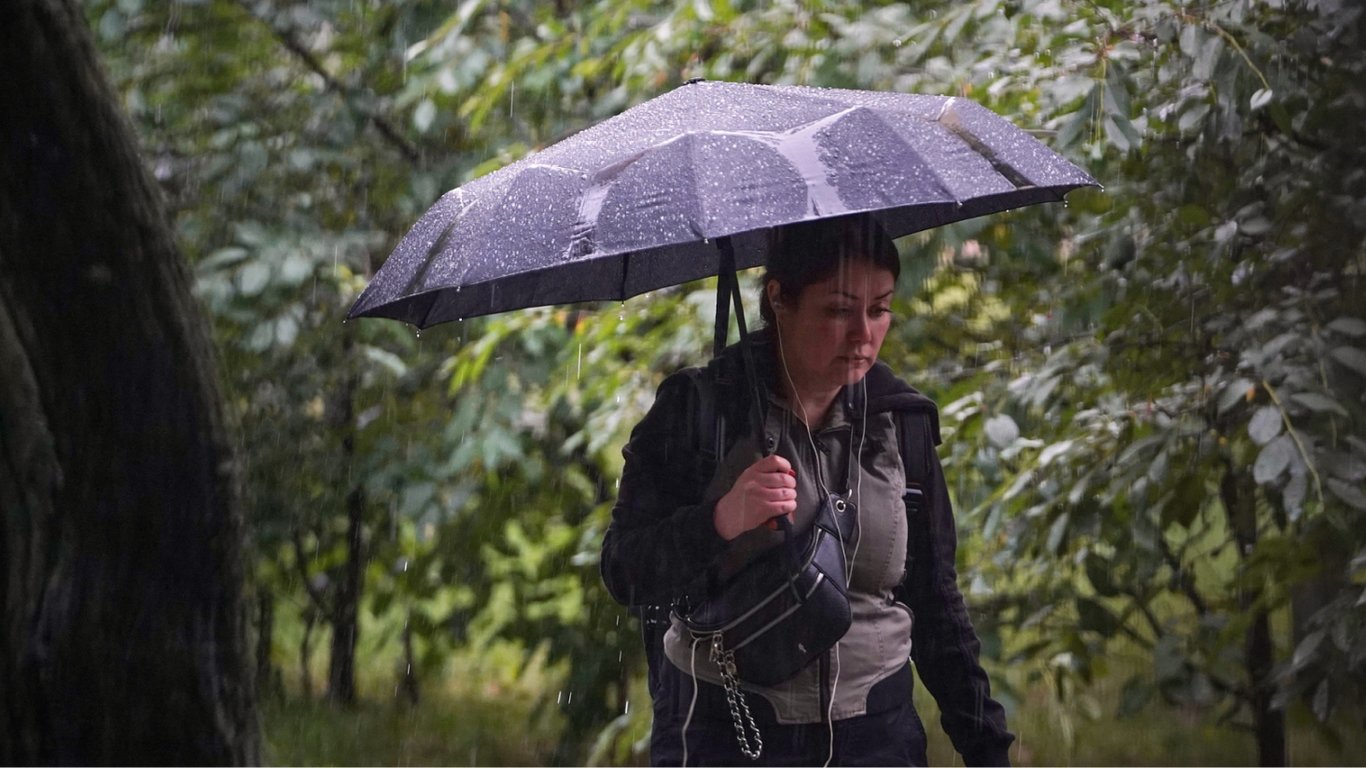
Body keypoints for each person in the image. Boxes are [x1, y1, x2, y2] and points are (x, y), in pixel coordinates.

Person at [600, 215, 1014, 766]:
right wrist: (720, 520)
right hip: (727, 731)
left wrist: (987, 746)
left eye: (879, 309)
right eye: (839, 310)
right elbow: (625, 569)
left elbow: (935, 597)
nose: (863, 335)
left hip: (877, 734)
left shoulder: (899, 422)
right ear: (779, 299)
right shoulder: (700, 414)